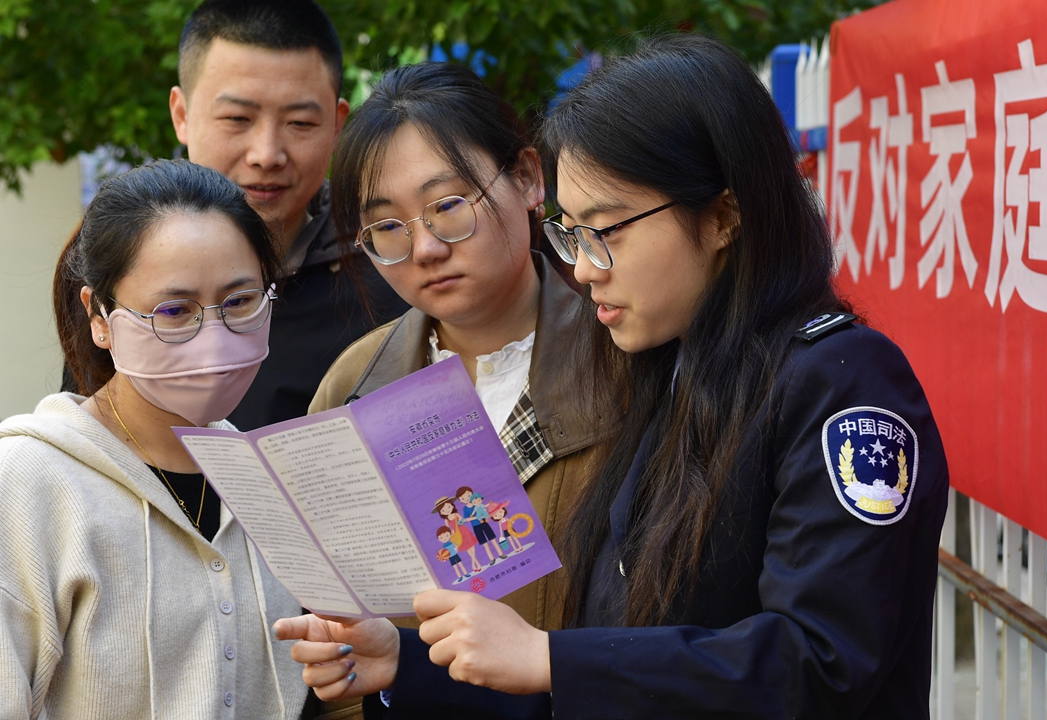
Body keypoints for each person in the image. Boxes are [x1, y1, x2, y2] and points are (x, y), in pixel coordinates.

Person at [275, 35, 951, 720]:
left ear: (722, 215)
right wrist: (405, 664)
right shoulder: (668, 369)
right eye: (572, 233)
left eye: (607, 231)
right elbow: (613, 685)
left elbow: (821, 663)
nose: (586, 266)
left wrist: (548, 658)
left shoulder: (841, 383)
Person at [301, 62, 605, 718]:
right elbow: (341, 639)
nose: (426, 248)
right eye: (387, 227)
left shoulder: (625, 359)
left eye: (447, 206)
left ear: (527, 178)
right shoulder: (354, 387)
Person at [0, 159, 306, 719]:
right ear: (99, 315)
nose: (214, 340)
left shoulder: (267, 483)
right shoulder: (25, 480)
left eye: (240, 302)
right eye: (174, 311)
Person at [165, 0, 409, 428]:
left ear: (337, 126)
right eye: (237, 118)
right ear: (182, 115)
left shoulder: (394, 273)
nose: (267, 155)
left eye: (299, 123)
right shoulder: (127, 270)